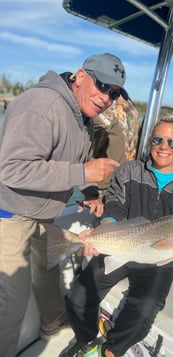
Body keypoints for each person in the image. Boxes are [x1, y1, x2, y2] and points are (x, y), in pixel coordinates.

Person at [0, 52, 129, 357]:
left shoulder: (81, 114)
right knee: (12, 301)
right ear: (81, 76)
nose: (107, 98)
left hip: (43, 215)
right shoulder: (42, 105)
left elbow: (75, 159)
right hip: (11, 215)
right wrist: (83, 173)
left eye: (114, 94)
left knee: (48, 268)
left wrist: (89, 193)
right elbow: (11, 167)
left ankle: (52, 323)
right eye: (102, 86)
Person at [61, 114, 173, 357]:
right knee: (78, 296)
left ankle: (110, 351)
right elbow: (115, 206)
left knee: (143, 311)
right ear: (150, 141)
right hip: (122, 245)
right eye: (158, 139)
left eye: (171, 142)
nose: (163, 147)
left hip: (159, 258)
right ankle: (87, 341)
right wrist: (102, 234)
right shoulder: (130, 171)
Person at [93, 96, 140, 201]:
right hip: (128, 176)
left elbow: (91, 147)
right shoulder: (131, 105)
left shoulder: (105, 106)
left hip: (107, 179)